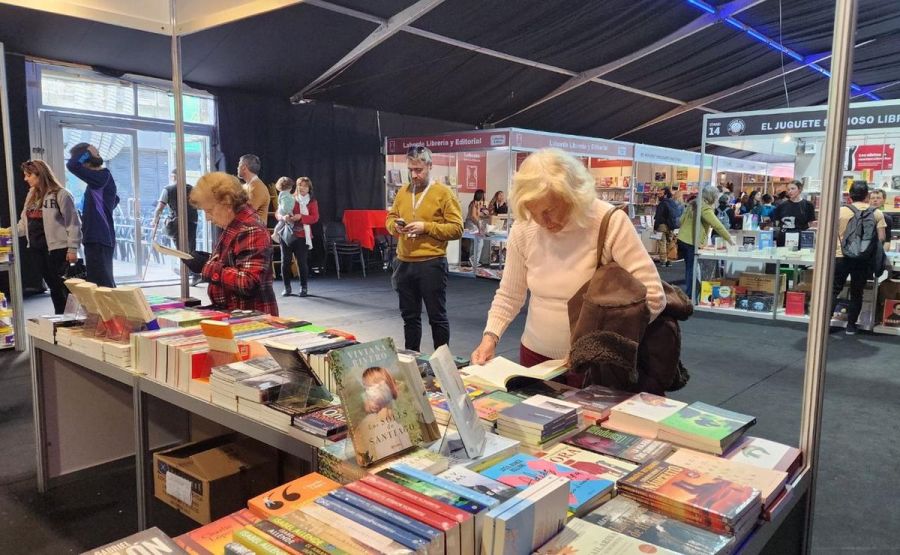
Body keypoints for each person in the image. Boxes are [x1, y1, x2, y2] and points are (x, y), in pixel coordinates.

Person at [470, 148, 665, 367]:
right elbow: (509, 294)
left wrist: (599, 346)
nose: (543, 221)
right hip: (534, 357)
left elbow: (654, 297)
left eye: (550, 210)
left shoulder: (608, 222)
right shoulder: (525, 227)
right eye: (534, 212)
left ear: (574, 196)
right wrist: (490, 337)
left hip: (596, 364)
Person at [386, 146, 463, 352]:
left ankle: (442, 365)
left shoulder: (443, 193)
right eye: (411, 169)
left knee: (437, 318)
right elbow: (391, 217)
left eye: (419, 170)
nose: (414, 175)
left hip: (431, 263)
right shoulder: (403, 191)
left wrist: (426, 227)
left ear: (430, 166)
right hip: (404, 262)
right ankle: (412, 360)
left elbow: (457, 228)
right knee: (409, 318)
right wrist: (395, 226)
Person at [183, 172, 278, 315]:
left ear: (227, 203)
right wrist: (209, 259)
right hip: (236, 312)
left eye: (209, 211)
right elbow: (234, 262)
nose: (208, 218)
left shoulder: (250, 229)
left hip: (249, 318)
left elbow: (248, 282)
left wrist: (206, 267)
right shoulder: (235, 225)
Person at [14, 160, 82, 313]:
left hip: (58, 249)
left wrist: (72, 248)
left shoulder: (62, 194)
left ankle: (69, 320)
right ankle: (61, 319)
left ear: (40, 174)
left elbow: (73, 223)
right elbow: (24, 223)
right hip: (37, 249)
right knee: (53, 287)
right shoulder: (31, 195)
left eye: (28, 175)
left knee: (62, 287)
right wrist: (8, 233)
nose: (25, 179)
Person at [832, 180, 886, 335]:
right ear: (867, 195)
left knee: (834, 290)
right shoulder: (876, 213)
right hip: (862, 258)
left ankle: (825, 323)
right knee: (857, 292)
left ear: (849, 195)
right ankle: (851, 325)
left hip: (840, 256)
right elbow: (881, 238)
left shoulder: (840, 211)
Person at [66, 143, 119, 287]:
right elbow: (115, 199)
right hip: (96, 236)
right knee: (99, 281)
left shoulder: (101, 177)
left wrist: (88, 151)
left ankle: (111, 310)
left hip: (99, 237)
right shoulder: (99, 181)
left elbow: (72, 165)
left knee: (102, 284)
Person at [677, 186, 734, 299]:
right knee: (693, 269)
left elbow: (681, 220)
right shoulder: (705, 208)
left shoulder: (692, 204)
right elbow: (717, 225)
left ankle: (689, 293)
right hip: (692, 241)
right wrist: (730, 239)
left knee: (689, 268)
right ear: (712, 197)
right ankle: (690, 295)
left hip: (682, 239)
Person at [153, 169, 200, 285]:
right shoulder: (192, 189)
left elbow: (159, 208)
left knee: (180, 250)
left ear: (173, 177)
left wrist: (155, 220)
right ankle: (192, 273)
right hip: (192, 221)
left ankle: (191, 273)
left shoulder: (168, 189)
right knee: (191, 249)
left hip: (177, 223)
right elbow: (198, 205)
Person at [276, 176, 318, 297]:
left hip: (302, 235)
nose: (302, 188)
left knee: (302, 262)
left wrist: (301, 217)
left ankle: (303, 287)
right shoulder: (290, 197)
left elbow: (315, 218)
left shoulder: (312, 201)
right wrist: (283, 217)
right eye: (300, 185)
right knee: (285, 261)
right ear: (296, 187)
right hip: (287, 233)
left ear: (309, 188)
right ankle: (287, 287)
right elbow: (278, 212)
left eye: (305, 186)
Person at [772, 180, 816, 246]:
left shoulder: (808, 205)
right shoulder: (782, 205)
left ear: (800, 189)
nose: (790, 191)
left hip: (800, 238)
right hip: (783, 238)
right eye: (788, 189)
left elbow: (810, 223)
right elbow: (776, 223)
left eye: (793, 189)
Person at [237, 154, 269, 224]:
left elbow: (244, 213)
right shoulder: (247, 186)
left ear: (244, 168)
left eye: (239, 165)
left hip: (254, 233)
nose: (237, 168)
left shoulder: (257, 187)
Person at [653, 187, 678, 267]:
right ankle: (669, 260)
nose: (659, 195)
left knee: (662, 243)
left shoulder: (662, 204)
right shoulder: (673, 203)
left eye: (661, 194)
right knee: (669, 243)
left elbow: (658, 216)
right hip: (671, 226)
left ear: (665, 194)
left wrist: (655, 227)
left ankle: (663, 261)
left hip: (662, 225)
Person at [466, 189, 489, 267]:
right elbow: (473, 216)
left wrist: (484, 214)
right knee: (480, 242)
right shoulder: (474, 203)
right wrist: (479, 225)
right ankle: (474, 260)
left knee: (474, 243)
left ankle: (472, 261)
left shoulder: (477, 203)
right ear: (480, 195)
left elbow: (477, 214)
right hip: (472, 225)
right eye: (483, 195)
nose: (484, 196)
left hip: (472, 224)